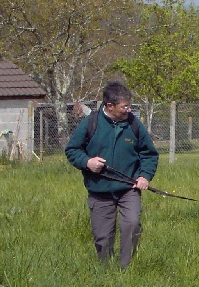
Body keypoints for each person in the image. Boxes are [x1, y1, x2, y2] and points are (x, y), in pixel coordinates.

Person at [65, 81, 159, 269]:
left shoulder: (134, 124)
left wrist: (144, 176)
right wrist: (87, 162)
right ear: (110, 106)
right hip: (99, 190)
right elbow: (72, 150)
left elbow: (149, 154)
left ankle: (127, 269)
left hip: (129, 189)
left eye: (129, 105)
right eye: (124, 106)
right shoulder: (90, 123)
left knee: (132, 224)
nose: (128, 109)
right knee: (103, 237)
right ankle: (106, 271)